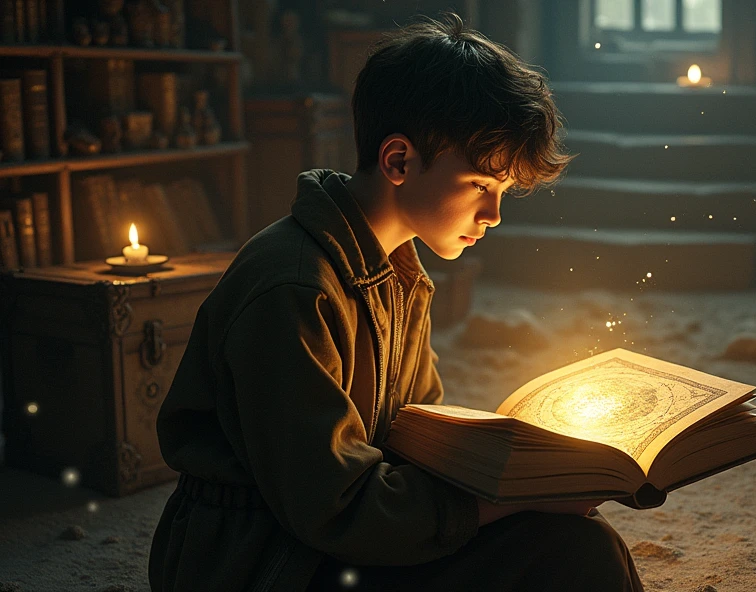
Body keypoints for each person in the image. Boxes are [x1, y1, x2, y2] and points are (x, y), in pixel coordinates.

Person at [149, 13, 644, 592]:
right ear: (399, 161)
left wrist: (526, 470)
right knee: (574, 555)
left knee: (579, 540)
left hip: (331, 531)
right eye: (482, 186)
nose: (494, 216)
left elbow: (417, 435)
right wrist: (510, 500)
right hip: (261, 558)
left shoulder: (398, 271)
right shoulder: (293, 288)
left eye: (503, 193)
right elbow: (334, 506)